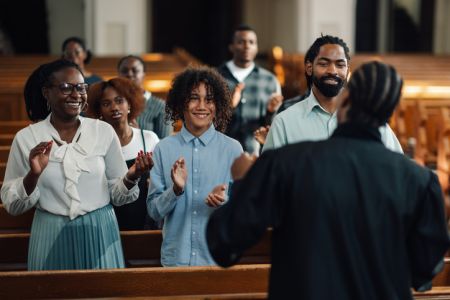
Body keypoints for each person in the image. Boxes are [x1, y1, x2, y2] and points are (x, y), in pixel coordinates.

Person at [207, 61, 450, 299]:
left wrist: (242, 182)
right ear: (390, 113)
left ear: (345, 100)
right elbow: (424, 272)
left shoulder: (286, 163)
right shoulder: (419, 181)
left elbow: (225, 243)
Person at [0, 59, 152, 270]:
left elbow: (117, 194)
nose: (76, 95)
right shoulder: (27, 138)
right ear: (47, 92)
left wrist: (132, 175)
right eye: (65, 88)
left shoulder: (102, 131)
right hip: (50, 231)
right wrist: (33, 176)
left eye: (81, 88)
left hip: (100, 229)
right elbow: (12, 205)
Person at [147, 66, 242, 266]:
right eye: (193, 98)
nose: (201, 106)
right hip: (175, 260)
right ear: (181, 103)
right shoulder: (163, 149)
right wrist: (175, 190)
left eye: (209, 99)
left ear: (218, 105)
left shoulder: (233, 149)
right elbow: (154, 212)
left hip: (217, 260)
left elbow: (244, 212)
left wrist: (225, 201)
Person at [263, 35, 403, 153]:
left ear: (348, 71)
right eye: (324, 64)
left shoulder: (372, 121)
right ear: (309, 68)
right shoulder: (285, 122)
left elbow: (396, 166)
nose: (332, 71)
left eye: (340, 65)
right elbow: (269, 176)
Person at [87, 77, 160, 230]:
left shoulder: (149, 138)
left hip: (144, 219)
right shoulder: (93, 144)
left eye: (119, 101)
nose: (114, 107)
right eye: (106, 104)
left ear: (129, 105)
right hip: (107, 220)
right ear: (99, 111)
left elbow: (161, 181)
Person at [218, 25, 283, 154]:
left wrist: (271, 112)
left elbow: (274, 126)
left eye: (251, 42)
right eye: (241, 42)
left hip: (255, 154)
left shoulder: (270, 80)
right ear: (231, 46)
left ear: (257, 47)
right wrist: (229, 106)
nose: (247, 46)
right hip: (221, 152)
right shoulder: (216, 76)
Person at [117, 55, 172, 138]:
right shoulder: (111, 103)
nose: (129, 74)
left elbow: (164, 145)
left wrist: (138, 136)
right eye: (124, 71)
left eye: (135, 71)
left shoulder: (161, 106)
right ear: (118, 75)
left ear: (143, 75)